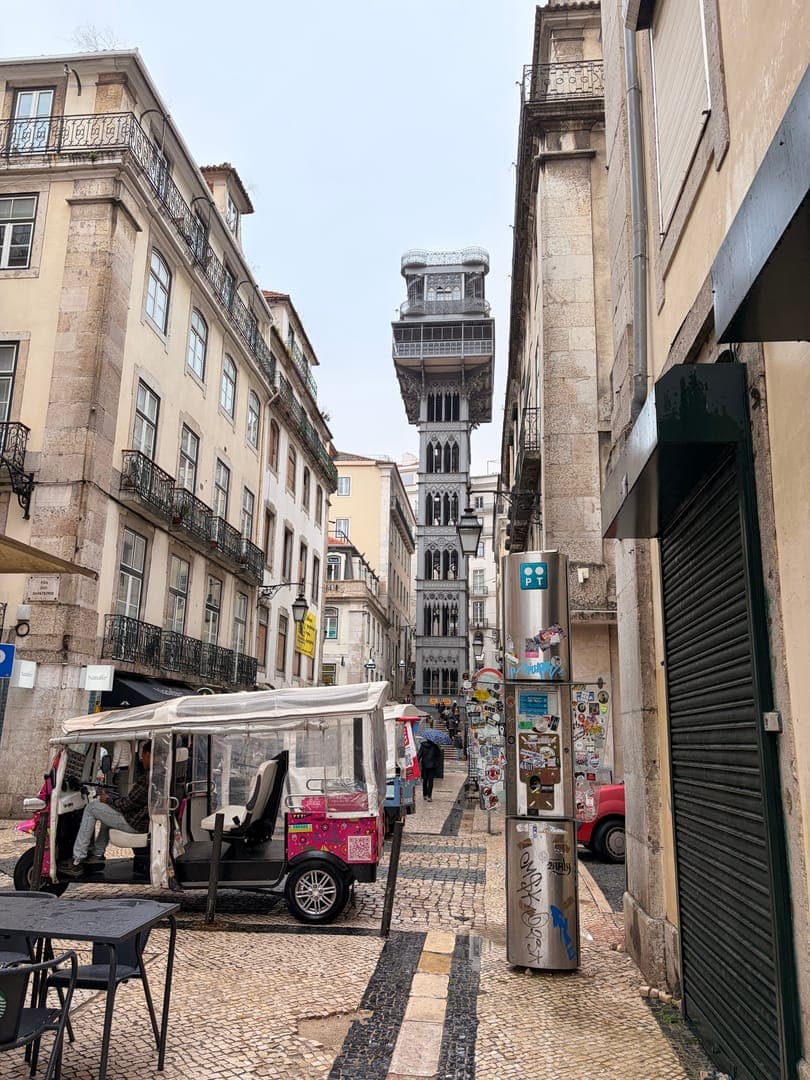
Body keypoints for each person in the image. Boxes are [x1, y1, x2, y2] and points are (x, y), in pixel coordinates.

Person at [60, 742, 151, 877]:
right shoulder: (154, 776)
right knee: (106, 813)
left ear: (149, 754)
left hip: (135, 823)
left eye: (143, 755)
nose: (142, 759)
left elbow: (127, 804)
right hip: (139, 820)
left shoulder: (148, 779)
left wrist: (107, 800)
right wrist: (110, 802)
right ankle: (97, 854)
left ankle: (77, 860)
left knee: (91, 808)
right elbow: (131, 802)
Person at [417, 723, 441, 802]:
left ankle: (424, 795)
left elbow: (419, 755)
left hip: (424, 765)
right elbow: (439, 755)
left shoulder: (423, 746)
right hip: (432, 766)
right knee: (430, 781)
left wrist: (416, 763)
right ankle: (429, 796)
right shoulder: (434, 746)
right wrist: (437, 747)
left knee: (425, 780)